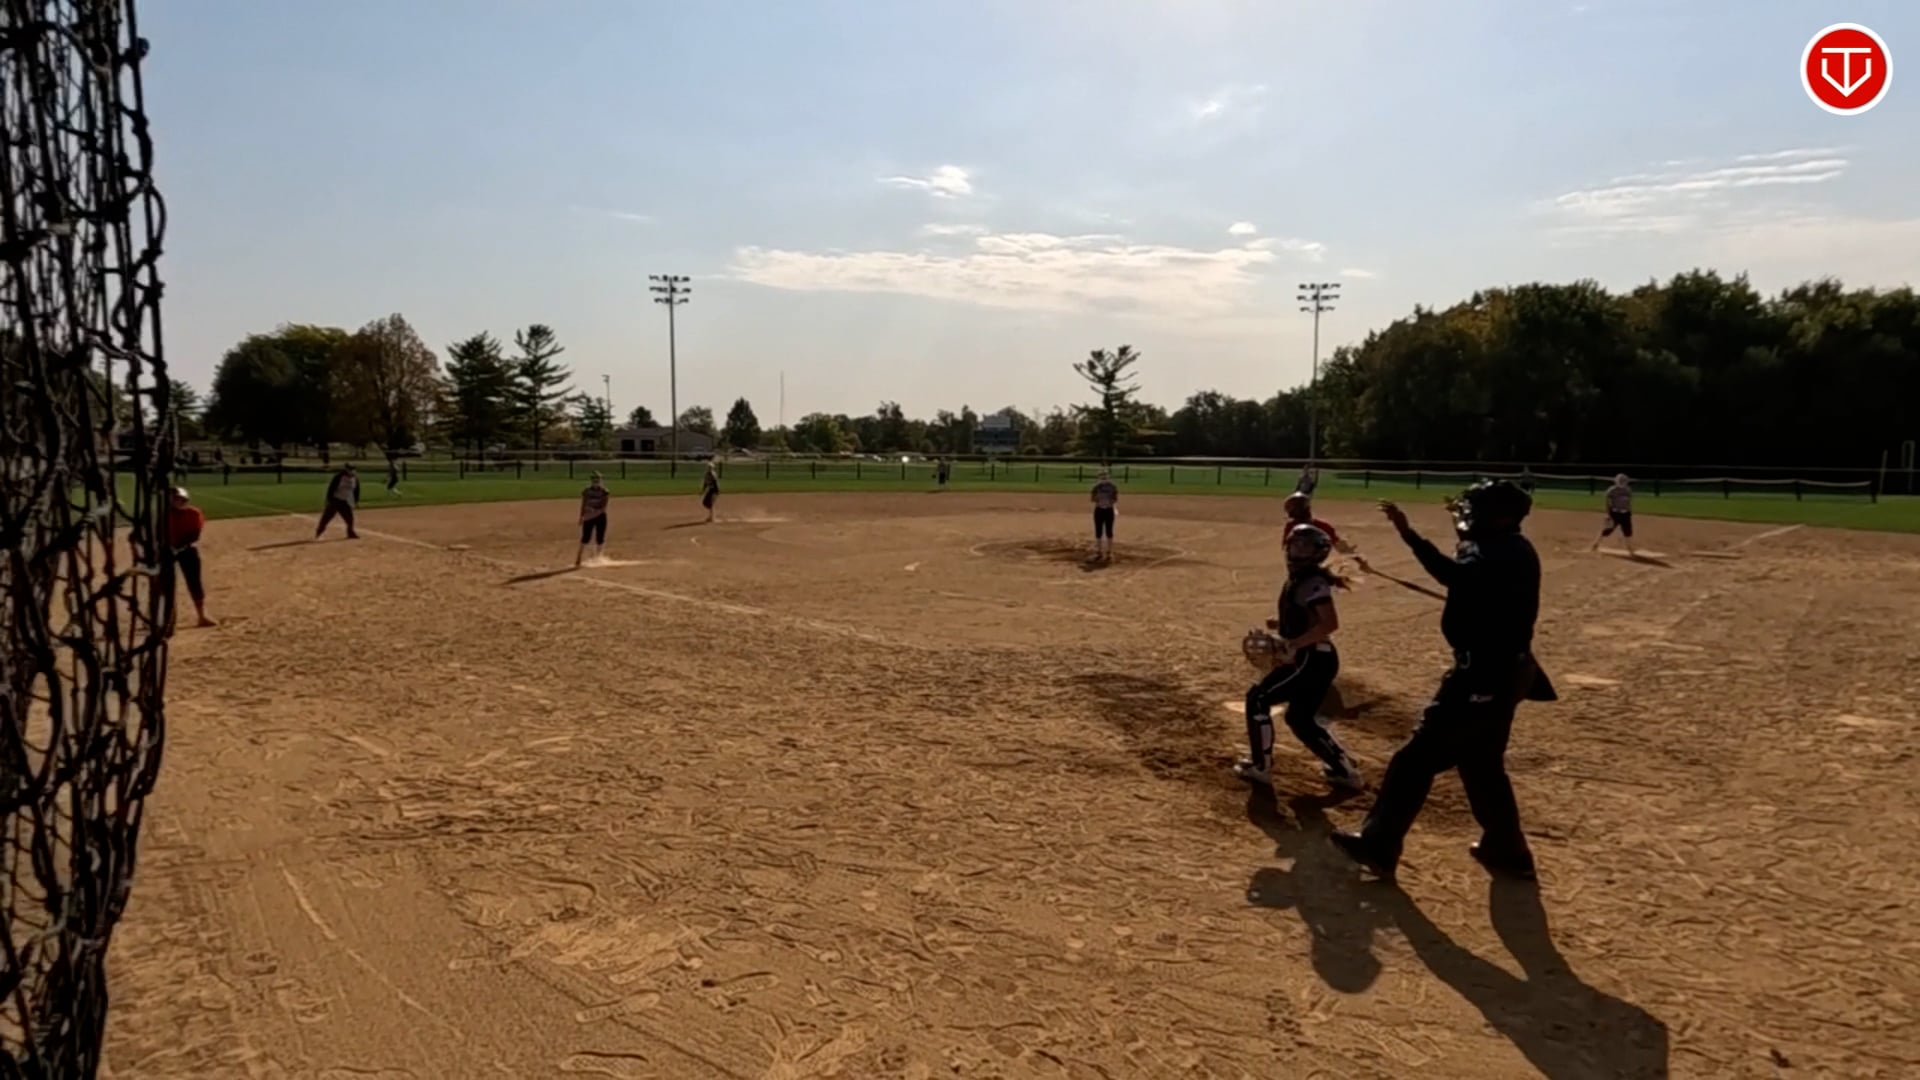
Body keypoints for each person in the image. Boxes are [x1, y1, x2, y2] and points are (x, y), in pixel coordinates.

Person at [1330, 479, 1554, 882]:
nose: (1469, 516)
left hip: (1482, 677)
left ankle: (1379, 843)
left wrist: (1410, 537)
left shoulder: (1500, 552)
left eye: (1478, 509)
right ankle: (1508, 850)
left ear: (1500, 517)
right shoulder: (1508, 547)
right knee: (1481, 764)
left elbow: (1451, 574)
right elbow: (1468, 564)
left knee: (1414, 761)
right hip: (1505, 673)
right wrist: (1412, 533)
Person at [1235, 524, 1363, 792]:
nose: (1297, 550)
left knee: (1258, 699)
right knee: (1300, 719)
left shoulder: (1311, 582)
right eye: (1295, 544)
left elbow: (1329, 623)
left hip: (1309, 659)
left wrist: (1294, 643)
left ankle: (1260, 767)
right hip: (1316, 659)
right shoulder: (1300, 579)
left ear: (1318, 552)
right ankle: (1345, 771)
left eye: (1305, 546)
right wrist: (1282, 625)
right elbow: (1308, 618)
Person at [166, 487, 216, 628]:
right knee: (165, 584)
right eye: (174, 499)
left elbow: (194, 534)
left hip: (186, 549)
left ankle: (201, 616)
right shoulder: (162, 515)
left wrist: (178, 547)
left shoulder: (193, 514)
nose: (177, 502)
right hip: (166, 552)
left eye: (180, 499)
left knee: (194, 582)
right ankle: (164, 617)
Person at [1592, 473, 1634, 554]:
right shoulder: (1612, 490)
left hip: (1625, 514)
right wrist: (1608, 514)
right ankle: (1596, 544)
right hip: (1615, 513)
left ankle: (1630, 548)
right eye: (1621, 481)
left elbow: (1629, 503)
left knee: (1628, 531)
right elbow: (1608, 503)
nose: (1622, 482)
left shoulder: (1628, 490)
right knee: (1607, 530)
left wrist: (1629, 512)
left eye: (1624, 481)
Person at [316, 463, 360, 539]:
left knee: (350, 518)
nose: (352, 471)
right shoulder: (339, 477)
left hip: (345, 502)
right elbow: (331, 488)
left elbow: (356, 491)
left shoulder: (355, 479)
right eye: (350, 469)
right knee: (326, 517)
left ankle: (350, 533)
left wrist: (355, 501)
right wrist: (329, 499)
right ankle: (319, 531)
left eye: (353, 469)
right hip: (335, 500)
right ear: (346, 469)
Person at [576, 471, 610, 567]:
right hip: (588, 517)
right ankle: (579, 557)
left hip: (600, 516)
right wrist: (581, 516)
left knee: (600, 537)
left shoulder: (605, 492)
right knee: (585, 537)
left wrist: (594, 511)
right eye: (594, 479)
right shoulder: (586, 491)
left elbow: (604, 507)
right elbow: (583, 504)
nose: (596, 481)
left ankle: (598, 557)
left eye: (598, 479)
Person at [1090, 468, 1119, 561]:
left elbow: (1115, 499)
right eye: (1102, 476)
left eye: (1105, 476)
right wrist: (1097, 496)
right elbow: (1093, 499)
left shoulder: (1113, 487)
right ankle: (1099, 552)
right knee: (1098, 531)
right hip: (1099, 510)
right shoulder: (1096, 487)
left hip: (1108, 510)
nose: (1104, 478)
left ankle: (1109, 552)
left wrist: (1111, 504)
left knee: (1109, 531)